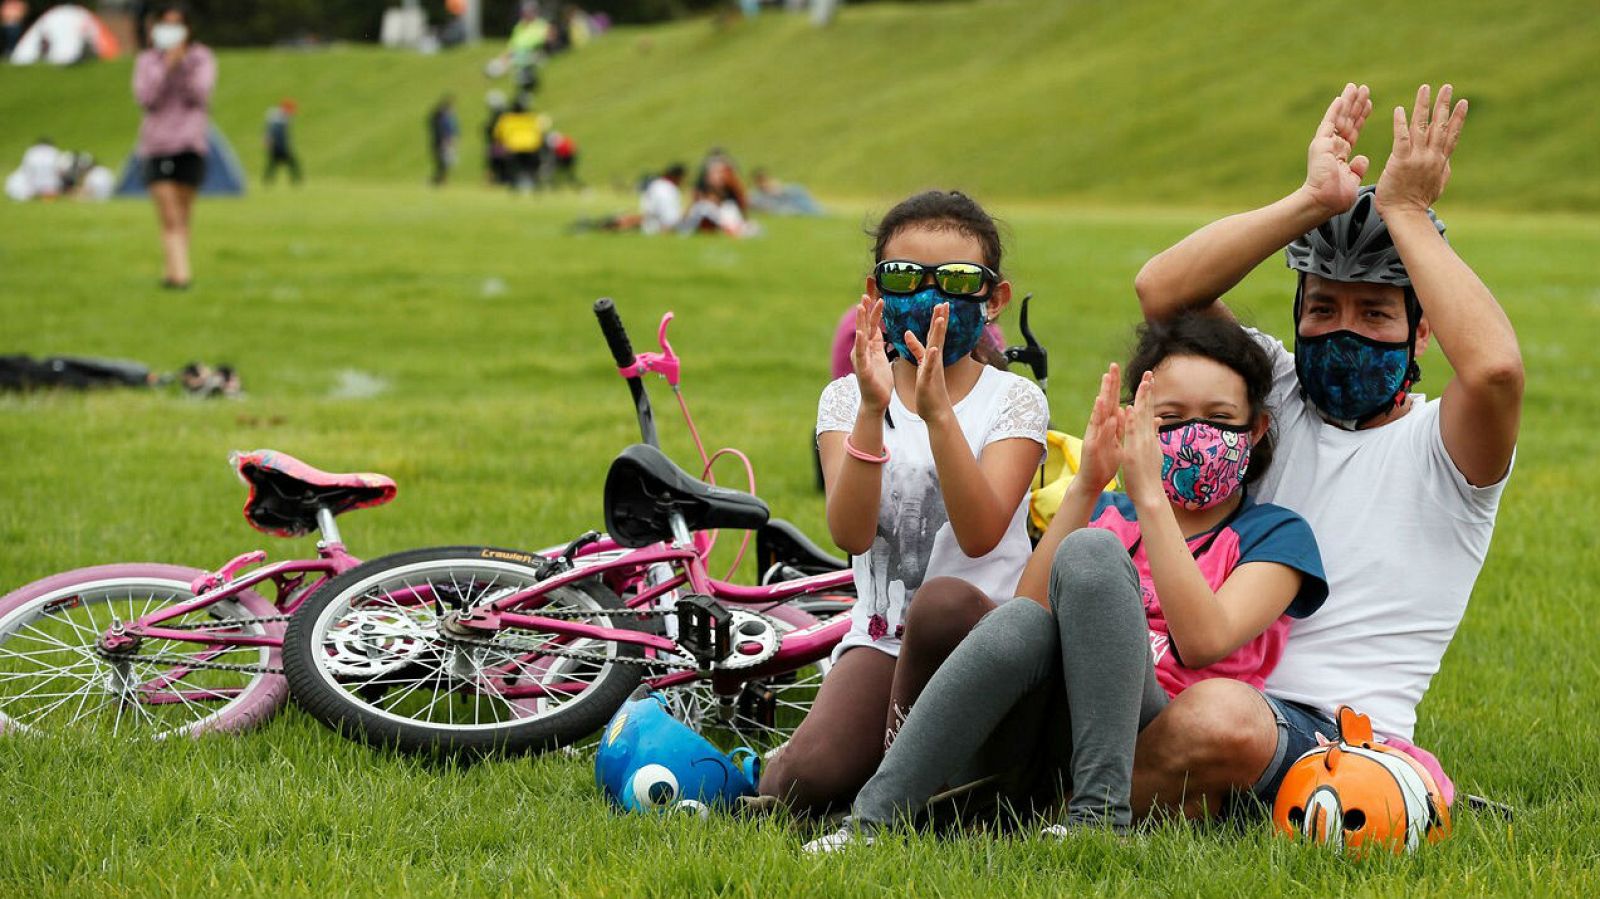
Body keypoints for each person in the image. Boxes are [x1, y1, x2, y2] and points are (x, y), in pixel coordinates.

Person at [1122, 83, 1521, 819]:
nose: (1344, 330)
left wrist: (1403, 213)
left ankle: (1049, 795)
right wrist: (1310, 201)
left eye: (1375, 313)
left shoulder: (1446, 448)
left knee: (1224, 718)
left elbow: (1495, 371)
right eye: (1322, 307)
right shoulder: (1270, 391)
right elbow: (1162, 293)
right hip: (1180, 679)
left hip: (1328, 738)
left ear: (1421, 333)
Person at [807, 313, 1328, 850]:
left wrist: (1150, 498)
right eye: (1169, 419)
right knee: (1043, 600)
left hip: (1161, 740)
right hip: (1058, 733)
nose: (1195, 436)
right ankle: (873, 823)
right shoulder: (1107, 513)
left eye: (1219, 418)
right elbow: (1021, 620)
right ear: (1137, 422)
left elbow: (1202, 644)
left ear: (1257, 428)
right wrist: (1087, 484)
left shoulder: (1277, 536)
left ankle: (1098, 820)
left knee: (1093, 549)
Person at [757, 190, 1049, 815]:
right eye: (904, 276)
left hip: (978, 638)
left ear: (994, 299)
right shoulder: (846, 397)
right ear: (875, 291)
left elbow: (980, 534)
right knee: (798, 785)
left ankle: (898, 786)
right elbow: (850, 532)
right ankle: (896, 778)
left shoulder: (1014, 402)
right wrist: (870, 410)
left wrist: (939, 414)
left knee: (941, 605)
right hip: (883, 635)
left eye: (956, 280)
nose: (928, 295)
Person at [132, 2, 215, 289]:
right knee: (169, 215)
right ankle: (182, 277)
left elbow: (201, 95)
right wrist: (167, 67)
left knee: (182, 215)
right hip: (157, 145)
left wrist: (183, 67)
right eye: (165, 23)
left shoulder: (201, 58)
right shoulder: (147, 61)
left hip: (189, 143)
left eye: (177, 23)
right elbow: (146, 99)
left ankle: (173, 271)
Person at [263, 99, 302, 186]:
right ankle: (296, 180)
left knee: (274, 165)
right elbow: (271, 132)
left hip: (280, 146)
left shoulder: (283, 118)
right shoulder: (278, 120)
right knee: (288, 163)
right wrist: (268, 140)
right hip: (278, 147)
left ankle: (268, 181)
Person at [428, 95, 459, 186]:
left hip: (442, 142)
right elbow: (444, 132)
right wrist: (447, 141)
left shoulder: (443, 118)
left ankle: (440, 181)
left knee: (443, 164)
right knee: (442, 163)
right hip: (441, 142)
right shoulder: (442, 118)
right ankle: (438, 181)